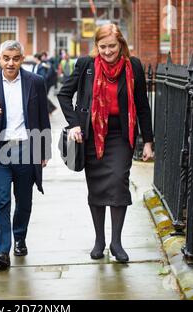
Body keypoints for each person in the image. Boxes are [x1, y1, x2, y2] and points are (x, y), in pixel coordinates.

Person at [57, 23, 154, 263]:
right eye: (103, 47)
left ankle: (117, 242)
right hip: (92, 136)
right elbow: (63, 95)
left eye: (112, 46)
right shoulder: (86, 65)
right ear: (96, 46)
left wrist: (149, 141)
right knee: (97, 187)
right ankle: (99, 240)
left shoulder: (134, 67)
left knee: (119, 183)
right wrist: (74, 124)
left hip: (121, 136)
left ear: (121, 44)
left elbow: (142, 106)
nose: (108, 51)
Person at [0, 40, 51, 270]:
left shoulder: (35, 82)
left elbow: (43, 117)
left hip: (27, 149)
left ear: (22, 58)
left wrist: (44, 150)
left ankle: (20, 237)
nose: (10, 63)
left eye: (15, 58)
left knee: (24, 201)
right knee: (1, 201)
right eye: (6, 58)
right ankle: (1, 251)